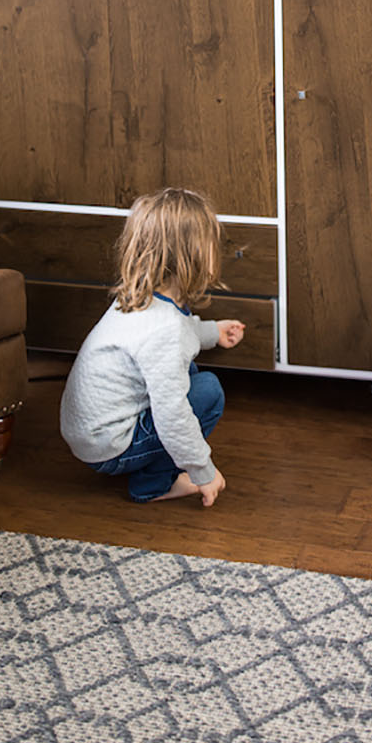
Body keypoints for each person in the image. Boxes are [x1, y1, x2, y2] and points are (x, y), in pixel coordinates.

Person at [60, 187, 244, 506]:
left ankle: (152, 464)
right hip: (109, 447)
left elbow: (176, 336)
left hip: (91, 433)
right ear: (196, 255)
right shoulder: (166, 330)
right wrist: (203, 471)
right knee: (207, 391)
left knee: (185, 369)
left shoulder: (139, 298)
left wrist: (213, 332)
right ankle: (153, 484)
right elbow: (172, 415)